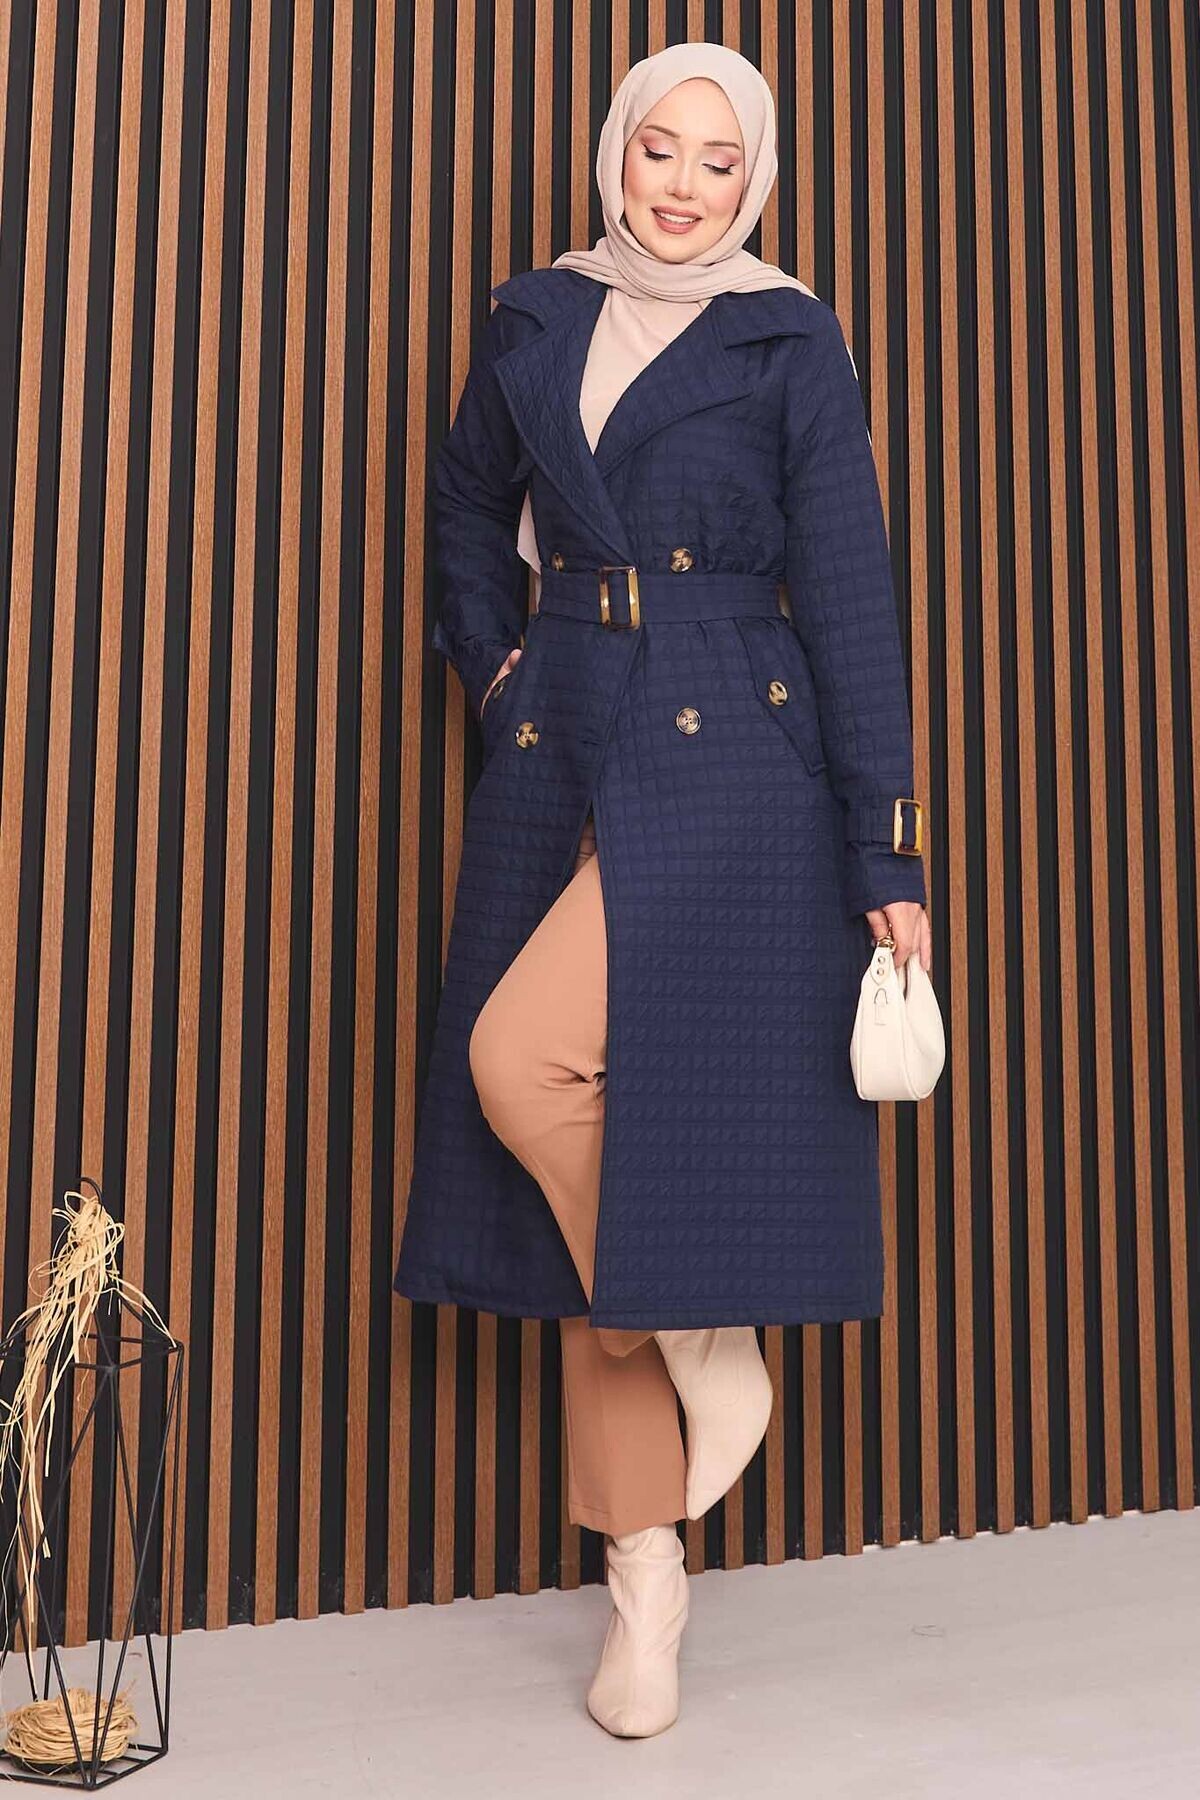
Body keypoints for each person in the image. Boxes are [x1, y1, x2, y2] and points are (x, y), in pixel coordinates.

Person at [393, 41, 932, 1738]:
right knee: (576, 1123)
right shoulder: (536, 316)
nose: (684, 184)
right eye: (658, 149)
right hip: (561, 731)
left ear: (754, 179)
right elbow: (469, 505)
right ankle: (648, 1573)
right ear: (614, 154)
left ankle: (696, 1340)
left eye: (718, 159)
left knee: (526, 1064)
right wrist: (496, 672)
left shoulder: (788, 335)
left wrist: (887, 848)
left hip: (731, 750)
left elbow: (849, 585)